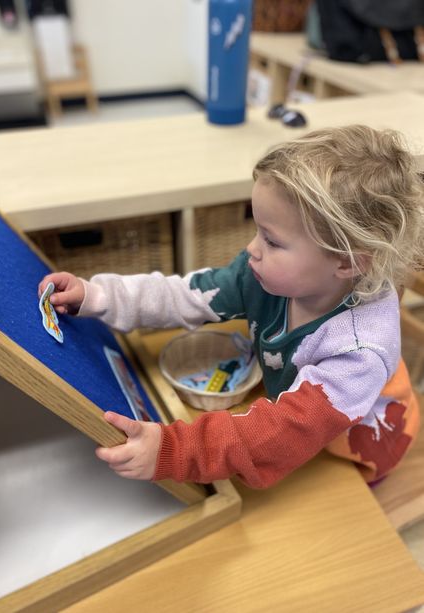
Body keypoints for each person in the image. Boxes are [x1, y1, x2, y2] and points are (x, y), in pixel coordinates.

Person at [39, 125, 424, 488]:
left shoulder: (359, 354)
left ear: (347, 262)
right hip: (304, 414)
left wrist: (172, 450)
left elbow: (280, 436)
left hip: (360, 439)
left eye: (272, 241)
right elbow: (186, 294)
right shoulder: (267, 274)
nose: (251, 249)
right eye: (258, 231)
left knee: (338, 510)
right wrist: (98, 297)